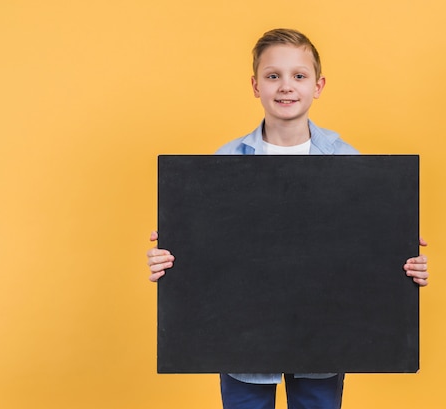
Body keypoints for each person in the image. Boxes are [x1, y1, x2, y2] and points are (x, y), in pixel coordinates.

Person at [146, 28, 429, 409]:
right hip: (241, 333)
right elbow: (206, 249)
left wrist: (403, 262)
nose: (285, 87)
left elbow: (365, 248)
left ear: (318, 85)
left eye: (299, 75)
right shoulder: (224, 162)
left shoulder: (349, 162)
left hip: (324, 331)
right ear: (255, 85)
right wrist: (173, 256)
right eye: (273, 75)